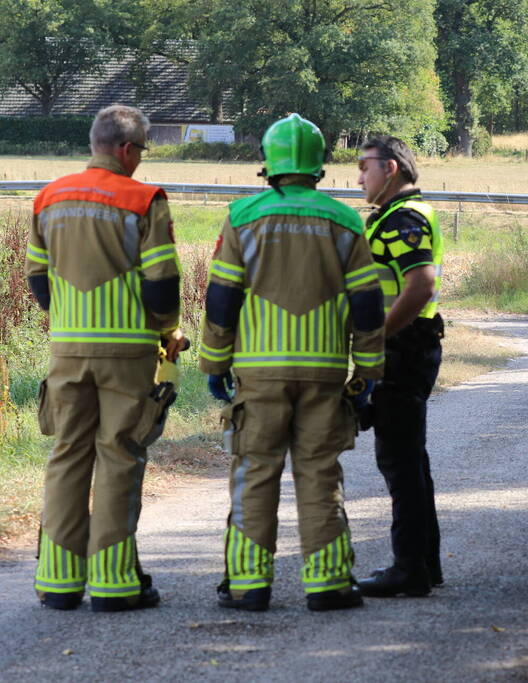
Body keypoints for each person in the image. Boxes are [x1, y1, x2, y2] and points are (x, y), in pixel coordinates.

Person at [199, 113, 385, 612]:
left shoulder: (242, 217)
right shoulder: (345, 221)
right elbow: (368, 306)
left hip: (258, 373)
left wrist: (214, 364)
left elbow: (222, 300)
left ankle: (247, 585)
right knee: (320, 473)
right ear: (319, 167)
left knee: (254, 473)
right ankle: (327, 584)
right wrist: (366, 373)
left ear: (269, 165)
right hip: (324, 372)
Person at [27, 104, 186, 612]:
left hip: (67, 351)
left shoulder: (48, 197)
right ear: (125, 149)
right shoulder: (143, 200)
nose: (140, 159)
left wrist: (72, 318)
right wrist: (168, 333)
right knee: (119, 454)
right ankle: (116, 582)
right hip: (128, 353)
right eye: (141, 149)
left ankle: (58, 580)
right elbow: (162, 282)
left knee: (68, 454)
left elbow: (37, 278)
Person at [355, 136, 445, 597]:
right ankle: (424, 563)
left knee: (399, 461)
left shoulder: (402, 218)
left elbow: (421, 284)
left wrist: (377, 336)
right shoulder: (393, 216)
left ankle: (409, 570)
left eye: (364, 166)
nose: (358, 177)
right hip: (411, 345)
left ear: (389, 168)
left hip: (403, 349)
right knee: (410, 459)